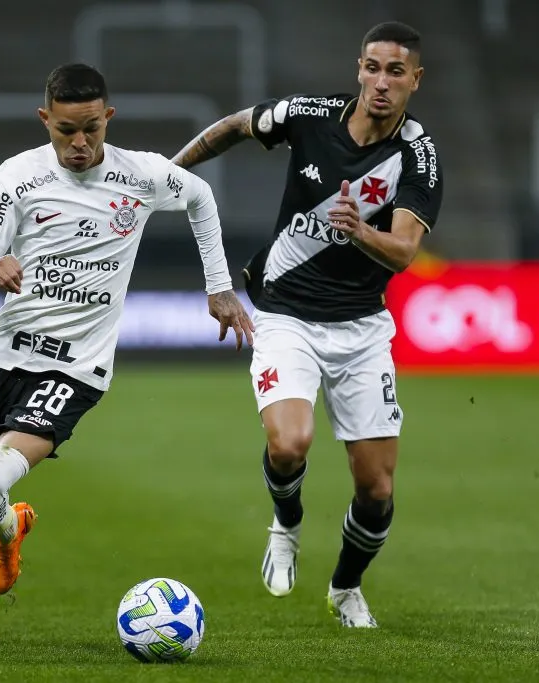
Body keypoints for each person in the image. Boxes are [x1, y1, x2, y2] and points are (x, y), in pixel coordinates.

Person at [0, 63, 254, 642]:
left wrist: (219, 286)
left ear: (108, 118)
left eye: (91, 129)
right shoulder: (18, 176)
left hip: (77, 367)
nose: (79, 143)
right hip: (8, 354)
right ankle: (10, 531)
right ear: (44, 120)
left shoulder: (141, 175)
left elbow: (200, 197)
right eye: (65, 130)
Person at [171, 21, 444, 628]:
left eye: (396, 71)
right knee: (290, 443)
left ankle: (345, 587)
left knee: (376, 491)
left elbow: (404, 251)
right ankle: (286, 523)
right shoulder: (310, 114)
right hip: (284, 314)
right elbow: (235, 126)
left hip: (362, 329)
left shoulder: (418, 157)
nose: (381, 82)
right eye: (372, 67)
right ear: (359, 69)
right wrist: (168, 174)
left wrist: (359, 230)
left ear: (415, 80)